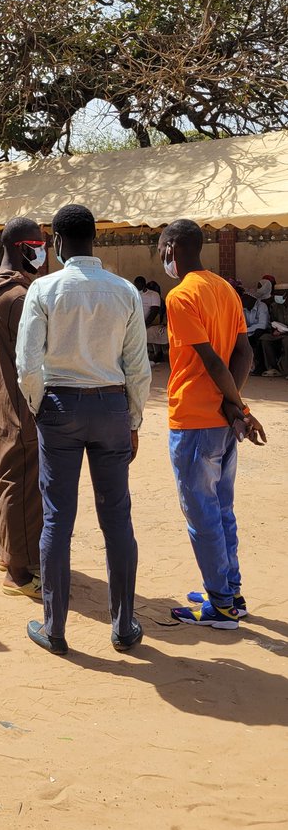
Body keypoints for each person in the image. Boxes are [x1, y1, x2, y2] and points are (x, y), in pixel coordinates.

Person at [16, 204, 151, 655]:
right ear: (95, 240)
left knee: (58, 517)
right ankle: (124, 625)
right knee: (118, 516)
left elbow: (27, 364)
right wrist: (133, 418)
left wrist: (40, 406)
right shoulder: (125, 291)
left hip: (59, 405)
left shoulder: (44, 288)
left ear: (56, 241)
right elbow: (138, 366)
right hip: (112, 405)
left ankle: (54, 629)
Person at [158, 220, 266, 629]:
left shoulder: (181, 296)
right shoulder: (224, 289)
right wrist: (236, 408)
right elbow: (244, 355)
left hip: (194, 420)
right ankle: (230, 591)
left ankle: (220, 606)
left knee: (201, 513)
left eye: (160, 248)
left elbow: (212, 361)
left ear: (171, 249)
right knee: (221, 508)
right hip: (222, 420)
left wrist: (234, 406)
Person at [0, 217, 45, 597]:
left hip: (3, 404)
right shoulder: (19, 298)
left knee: (6, 478)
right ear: (23, 248)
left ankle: (9, 554)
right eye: (38, 245)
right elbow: (32, 361)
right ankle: (20, 574)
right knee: (22, 486)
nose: (43, 253)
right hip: (22, 407)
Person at [134, 276, 164, 364]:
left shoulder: (153, 295)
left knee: (150, 331)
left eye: (139, 285)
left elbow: (154, 311)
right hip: (136, 322)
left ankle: (157, 353)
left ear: (143, 285)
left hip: (149, 322)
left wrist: (145, 323)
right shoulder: (135, 294)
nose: (137, 287)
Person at [241, 289, 271, 374]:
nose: (243, 301)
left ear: (253, 299)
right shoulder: (243, 308)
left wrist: (247, 331)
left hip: (262, 331)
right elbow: (241, 324)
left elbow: (263, 325)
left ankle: (259, 366)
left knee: (259, 334)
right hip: (249, 332)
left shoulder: (262, 306)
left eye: (246, 298)